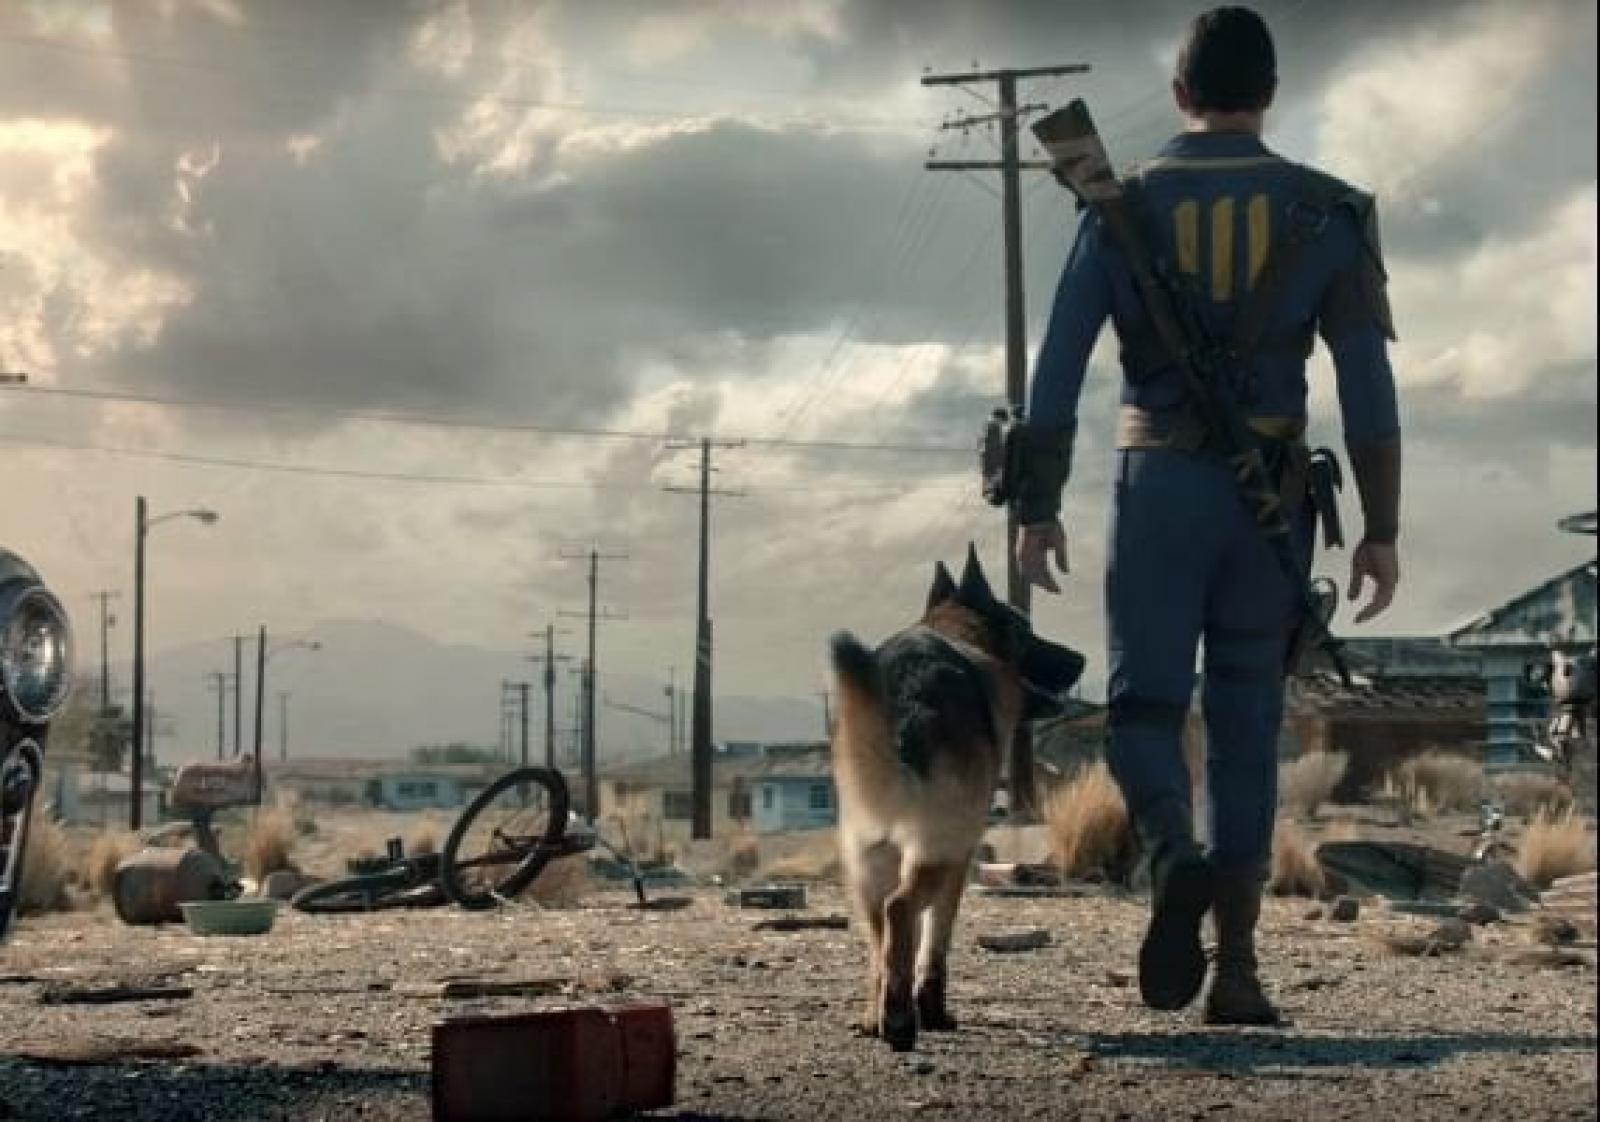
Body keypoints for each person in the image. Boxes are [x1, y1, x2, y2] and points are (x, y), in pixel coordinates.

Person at [1011, 6, 1402, 1025]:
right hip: (1272, 503)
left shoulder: (1118, 205)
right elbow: (1369, 389)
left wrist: (1036, 508)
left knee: (1143, 709)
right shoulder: (1328, 212)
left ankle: (1168, 855)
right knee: (1245, 725)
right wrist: (1381, 528)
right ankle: (1236, 970)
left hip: (1157, 490)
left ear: (1180, 93)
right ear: (1269, 94)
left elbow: (1057, 369)